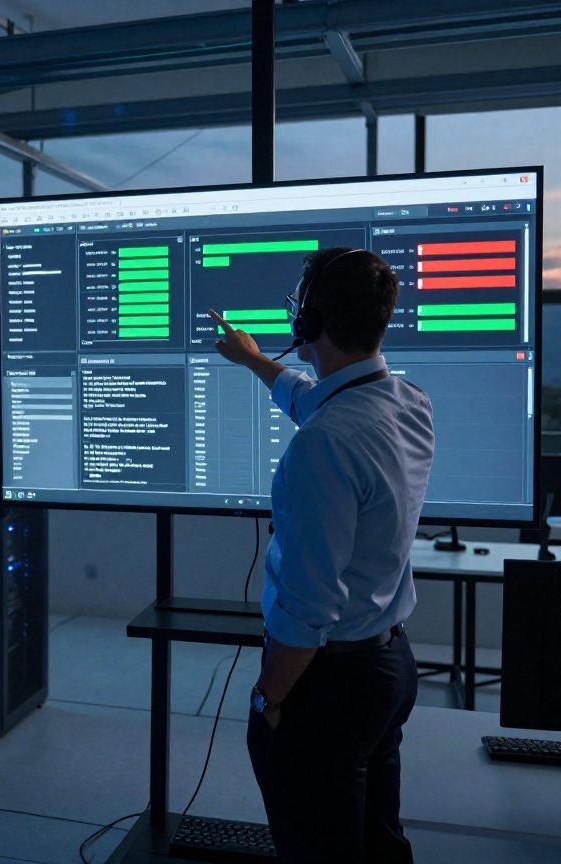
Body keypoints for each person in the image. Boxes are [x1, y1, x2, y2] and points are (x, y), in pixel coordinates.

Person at [208, 247, 435, 864]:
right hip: (389, 668)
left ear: (310, 322)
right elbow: (321, 399)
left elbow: (308, 608)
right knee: (376, 842)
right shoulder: (406, 400)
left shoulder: (323, 447)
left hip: (329, 683)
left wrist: (271, 698)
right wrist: (256, 363)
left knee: (318, 849)